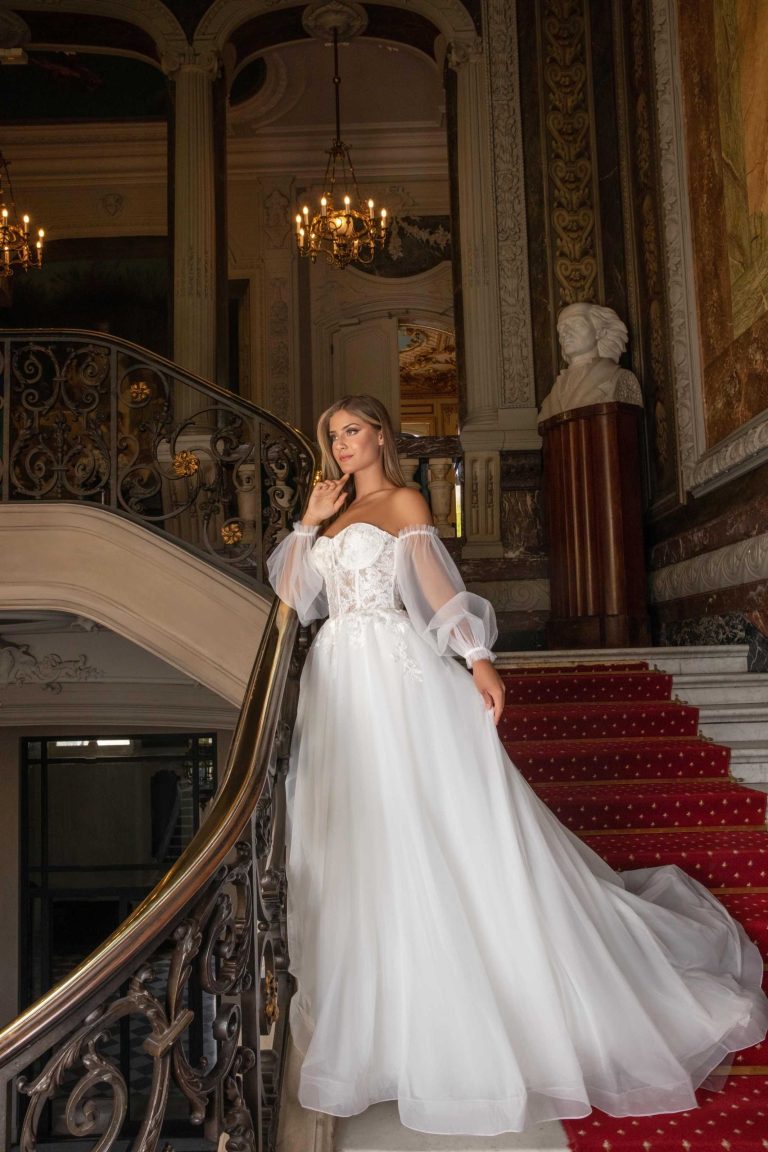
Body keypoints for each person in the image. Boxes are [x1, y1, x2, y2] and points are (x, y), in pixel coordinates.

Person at [267, 394, 768, 1136]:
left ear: (379, 434)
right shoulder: (330, 515)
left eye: (352, 431)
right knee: (358, 839)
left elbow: (435, 586)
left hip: (397, 675)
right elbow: (291, 601)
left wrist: (477, 658)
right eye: (332, 436)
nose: (342, 445)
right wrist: (308, 520)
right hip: (339, 682)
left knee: (431, 825)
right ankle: (378, 1028)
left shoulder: (405, 498)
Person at [538, 302, 643, 424]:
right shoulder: (555, 392)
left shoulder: (619, 378)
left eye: (576, 324)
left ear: (600, 331)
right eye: (561, 329)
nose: (565, 333)